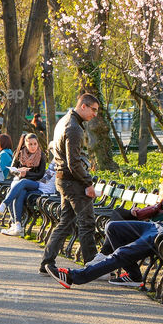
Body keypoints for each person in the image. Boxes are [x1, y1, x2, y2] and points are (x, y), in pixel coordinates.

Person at [46, 154, 163, 289]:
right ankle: (134, 275)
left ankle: (73, 277)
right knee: (113, 227)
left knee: (122, 252)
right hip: (158, 226)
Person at [40, 94, 100, 276]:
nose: (95, 114)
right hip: (73, 181)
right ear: (83, 106)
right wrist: (88, 183)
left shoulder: (64, 121)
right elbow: (74, 163)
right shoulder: (74, 128)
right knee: (87, 223)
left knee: (66, 222)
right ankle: (92, 266)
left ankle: (47, 261)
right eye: (93, 109)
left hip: (63, 179)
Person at [0, 133, 46, 236]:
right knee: (18, 192)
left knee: (22, 183)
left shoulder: (41, 155)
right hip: (19, 181)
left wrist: (26, 174)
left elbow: (41, 174)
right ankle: (17, 225)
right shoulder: (19, 153)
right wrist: (19, 172)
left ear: (38, 144)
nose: (33, 146)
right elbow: (12, 170)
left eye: (35, 144)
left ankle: (5, 203)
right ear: (25, 144)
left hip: (34, 183)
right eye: (30, 144)